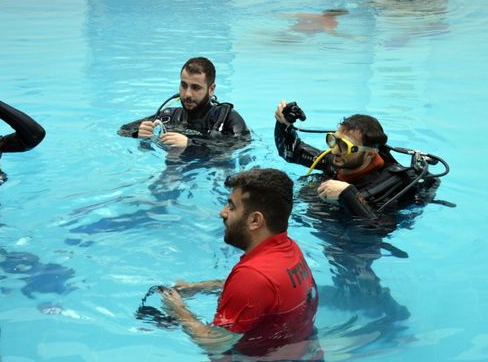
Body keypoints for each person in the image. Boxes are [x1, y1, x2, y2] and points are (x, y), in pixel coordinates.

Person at [159, 169, 320, 360]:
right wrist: (200, 287)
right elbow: (267, 294)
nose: (223, 213)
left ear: (255, 220)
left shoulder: (251, 277)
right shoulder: (290, 249)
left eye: (232, 207)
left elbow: (215, 344)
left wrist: (178, 309)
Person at [274, 99, 442, 219]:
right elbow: (292, 152)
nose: (334, 149)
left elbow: (378, 228)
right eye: (333, 139)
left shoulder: (391, 184)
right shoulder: (339, 160)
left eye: (344, 145)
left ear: (370, 154)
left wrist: (347, 195)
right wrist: (283, 124)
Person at [118, 57, 250, 158]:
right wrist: (139, 133)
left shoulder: (227, 117)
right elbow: (123, 130)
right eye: (184, 85)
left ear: (211, 89)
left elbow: (243, 144)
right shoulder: (170, 116)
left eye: (196, 87)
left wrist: (190, 143)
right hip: (174, 167)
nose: (187, 94)